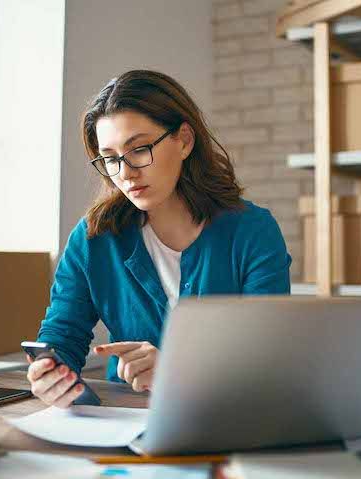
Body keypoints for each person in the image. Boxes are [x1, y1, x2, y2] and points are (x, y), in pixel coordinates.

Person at [26, 70, 291, 408]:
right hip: (128, 416)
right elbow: (62, 334)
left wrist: (177, 370)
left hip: (227, 418)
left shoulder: (253, 232)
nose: (125, 172)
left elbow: (269, 358)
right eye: (110, 158)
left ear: (184, 140)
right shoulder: (94, 238)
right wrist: (50, 372)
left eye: (138, 149)